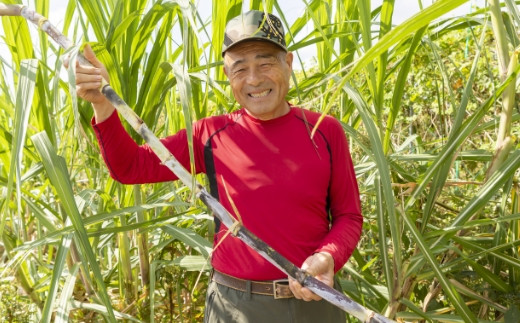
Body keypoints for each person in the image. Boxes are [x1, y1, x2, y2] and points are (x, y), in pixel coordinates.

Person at [73, 9, 362, 323]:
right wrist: (102, 104)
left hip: (316, 305)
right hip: (236, 307)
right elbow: (130, 167)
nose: (254, 79)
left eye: (265, 62)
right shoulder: (209, 134)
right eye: (240, 68)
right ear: (228, 75)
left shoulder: (324, 130)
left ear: (288, 63)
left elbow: (348, 215)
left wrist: (327, 256)